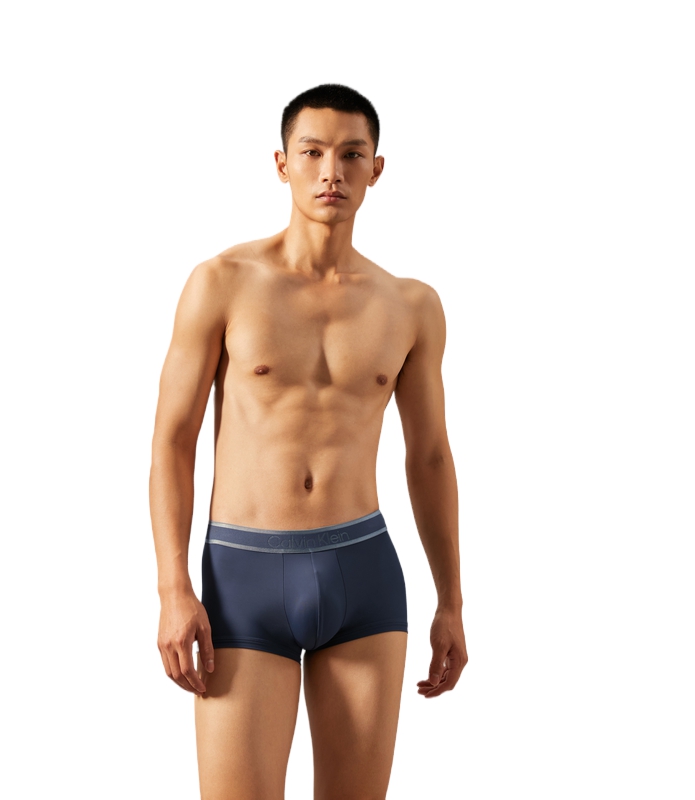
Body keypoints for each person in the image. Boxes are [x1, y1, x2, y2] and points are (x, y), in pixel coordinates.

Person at [149, 83, 467, 800]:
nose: (332, 172)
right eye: (313, 152)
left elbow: (430, 456)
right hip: (243, 578)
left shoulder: (411, 305)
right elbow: (172, 442)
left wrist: (451, 600)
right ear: (281, 163)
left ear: (375, 170)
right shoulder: (222, 283)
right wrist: (173, 587)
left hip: (364, 573)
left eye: (351, 155)